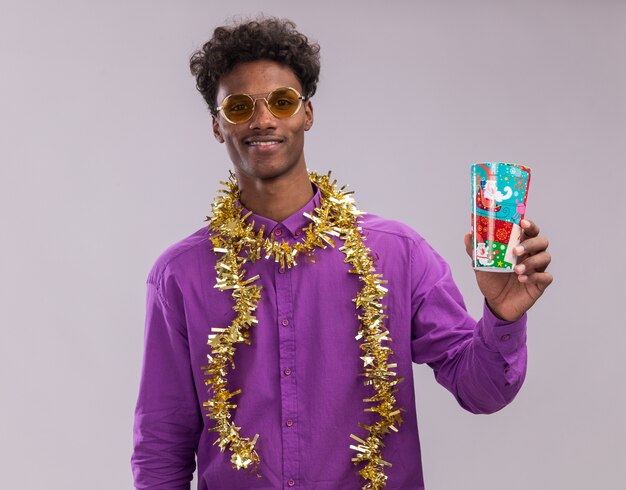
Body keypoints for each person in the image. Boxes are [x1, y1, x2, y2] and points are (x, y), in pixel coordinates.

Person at [131, 17, 553, 490]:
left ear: (306, 114)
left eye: (282, 101)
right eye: (239, 106)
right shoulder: (179, 276)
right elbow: (161, 446)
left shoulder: (398, 255)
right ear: (217, 125)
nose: (263, 119)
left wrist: (502, 314)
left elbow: (483, 391)